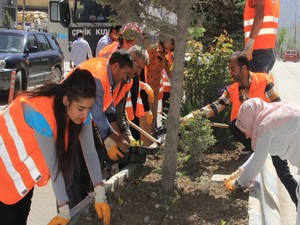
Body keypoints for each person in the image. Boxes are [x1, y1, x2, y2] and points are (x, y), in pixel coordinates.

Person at [182, 51, 298, 206]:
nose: (230, 73)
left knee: (282, 172)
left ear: (244, 68)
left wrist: (239, 180)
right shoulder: (233, 89)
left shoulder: (263, 81)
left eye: (232, 69)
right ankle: (254, 149)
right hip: (258, 134)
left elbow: (278, 106)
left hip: (270, 132)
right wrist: (194, 115)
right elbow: (217, 106)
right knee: (234, 125)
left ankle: (297, 202)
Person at [0, 69, 110, 225]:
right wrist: (64, 209)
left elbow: (90, 154)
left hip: (22, 174)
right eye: (80, 108)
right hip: (3, 170)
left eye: (89, 108)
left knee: (20, 217)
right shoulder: (42, 114)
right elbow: (54, 165)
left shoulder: (80, 115)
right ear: (66, 100)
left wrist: (100, 193)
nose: (85, 115)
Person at [225, 98, 300, 221]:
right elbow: (260, 153)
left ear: (252, 120)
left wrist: (237, 183)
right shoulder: (272, 115)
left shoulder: (266, 126)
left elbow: (257, 163)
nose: (245, 135)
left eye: (245, 127)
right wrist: (240, 171)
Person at [243, 0, 280, 73]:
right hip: (268, 51)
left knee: (255, 83)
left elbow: (260, 16)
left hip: (257, 52)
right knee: (261, 83)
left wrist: (249, 44)